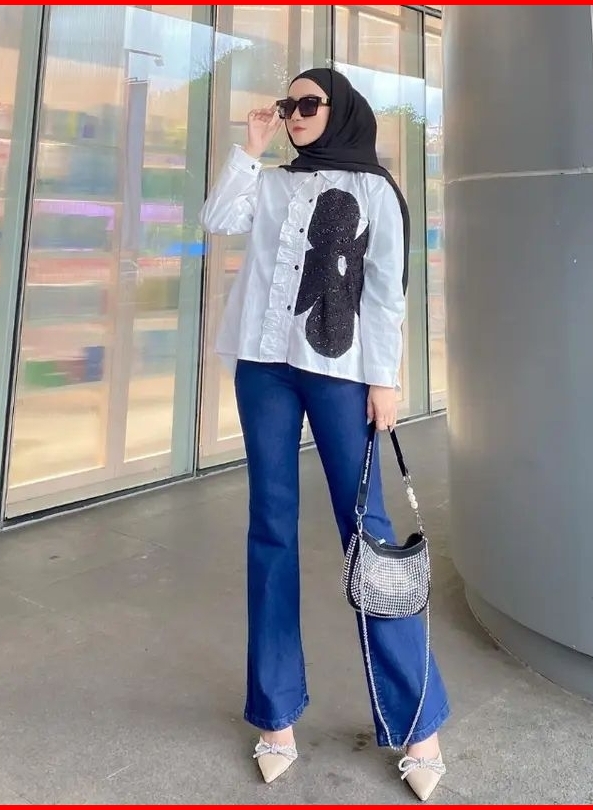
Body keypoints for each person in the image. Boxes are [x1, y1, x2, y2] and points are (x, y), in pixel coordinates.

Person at [201, 67, 450, 801]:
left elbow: (385, 293)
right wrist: (251, 148)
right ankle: (274, 714)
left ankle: (418, 722)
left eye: (307, 103)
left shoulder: (377, 191)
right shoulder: (273, 183)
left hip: (341, 374)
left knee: (367, 531)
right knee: (270, 528)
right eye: (287, 105)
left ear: (339, 109)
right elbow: (218, 220)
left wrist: (385, 381)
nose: (295, 114)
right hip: (264, 369)